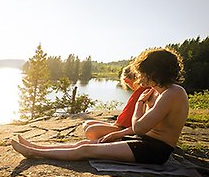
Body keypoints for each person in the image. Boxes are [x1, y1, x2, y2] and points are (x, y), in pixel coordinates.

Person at [11, 48, 189, 164]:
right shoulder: (158, 91)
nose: (141, 77)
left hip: (156, 151)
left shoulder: (173, 93)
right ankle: (35, 147)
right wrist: (118, 133)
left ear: (155, 71)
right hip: (145, 142)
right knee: (84, 142)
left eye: (143, 72)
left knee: (86, 150)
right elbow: (147, 129)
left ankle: (33, 153)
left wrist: (140, 104)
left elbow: (140, 128)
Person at [83, 65, 149, 140]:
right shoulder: (141, 91)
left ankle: (104, 143)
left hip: (126, 129)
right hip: (122, 126)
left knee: (91, 130)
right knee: (87, 124)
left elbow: (128, 120)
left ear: (126, 80)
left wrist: (116, 128)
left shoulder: (142, 92)